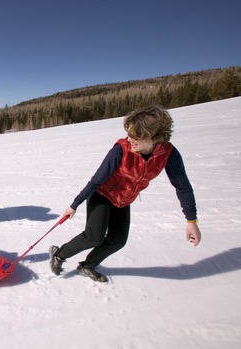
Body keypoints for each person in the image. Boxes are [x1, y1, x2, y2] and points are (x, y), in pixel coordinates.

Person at [49, 105, 202, 283]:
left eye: (135, 136)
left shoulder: (168, 154)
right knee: (94, 237)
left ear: (153, 137)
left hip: (123, 200)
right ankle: (59, 255)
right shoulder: (120, 150)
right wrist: (74, 205)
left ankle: (87, 265)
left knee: (118, 241)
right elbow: (96, 180)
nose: (129, 139)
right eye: (128, 133)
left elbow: (182, 186)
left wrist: (191, 221)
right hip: (102, 194)